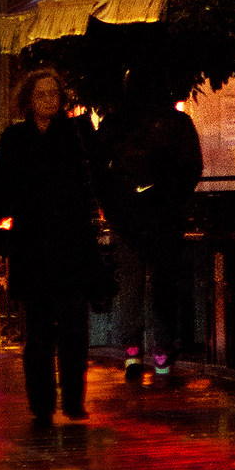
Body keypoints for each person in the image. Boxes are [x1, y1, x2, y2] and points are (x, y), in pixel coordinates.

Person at [0, 67, 99, 425]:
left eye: (54, 93)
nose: (50, 100)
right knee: (38, 332)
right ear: (29, 101)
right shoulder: (15, 139)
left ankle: (74, 400)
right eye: (42, 95)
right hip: (33, 246)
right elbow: (1, 186)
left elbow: (93, 180)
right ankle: (42, 404)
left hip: (72, 243)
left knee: (74, 328)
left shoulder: (77, 133)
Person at [96, 73, 202, 387]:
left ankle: (132, 350)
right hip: (164, 218)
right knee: (162, 284)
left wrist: (117, 205)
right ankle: (162, 352)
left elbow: (101, 172)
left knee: (130, 283)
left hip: (128, 219)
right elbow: (190, 168)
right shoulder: (177, 123)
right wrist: (167, 198)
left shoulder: (116, 124)